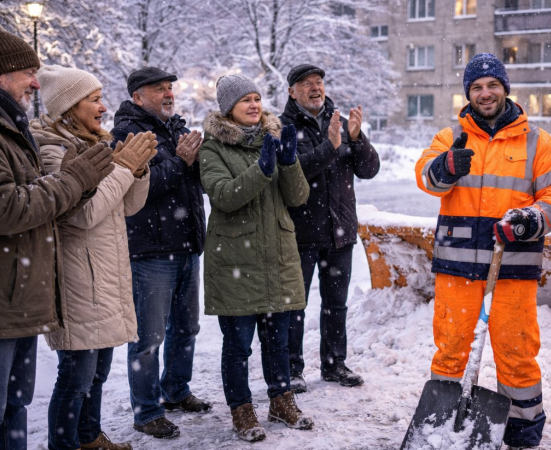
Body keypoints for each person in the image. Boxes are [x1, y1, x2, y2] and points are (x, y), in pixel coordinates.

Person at [0, 30, 114, 450]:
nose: (36, 83)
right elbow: (3, 209)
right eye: (27, 73)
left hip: (15, 297)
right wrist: (74, 180)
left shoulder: (4, 126)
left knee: (11, 411)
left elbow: (38, 204)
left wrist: (81, 186)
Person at [414, 53, 551, 449]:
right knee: (450, 349)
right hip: (457, 269)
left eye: (492, 85)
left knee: (516, 352)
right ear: (468, 93)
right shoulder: (450, 137)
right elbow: (426, 178)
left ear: (505, 89)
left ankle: (522, 430)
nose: (485, 93)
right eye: (477, 87)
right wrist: (445, 168)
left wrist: (532, 218)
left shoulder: (536, 141)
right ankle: (441, 425)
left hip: (512, 269)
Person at [31, 65, 158, 450]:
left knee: (97, 374)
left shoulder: (94, 144)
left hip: (102, 274)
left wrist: (137, 172)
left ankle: (89, 438)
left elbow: (128, 206)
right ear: (69, 106)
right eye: (94, 100)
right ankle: (64, 445)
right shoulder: (53, 149)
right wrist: (122, 168)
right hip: (77, 280)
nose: (104, 107)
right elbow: (84, 214)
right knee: (75, 378)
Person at [199, 74, 313, 442]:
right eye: (245, 99)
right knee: (238, 346)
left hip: (276, 256)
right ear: (228, 108)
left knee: (278, 342)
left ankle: (281, 400)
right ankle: (242, 409)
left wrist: (289, 162)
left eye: (257, 98)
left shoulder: (272, 139)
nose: (254, 105)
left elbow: (298, 198)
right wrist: (262, 169)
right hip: (236, 261)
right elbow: (224, 196)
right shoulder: (213, 148)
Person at [111, 67, 209, 438]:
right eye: (159, 89)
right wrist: (181, 162)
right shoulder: (127, 134)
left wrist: (200, 161)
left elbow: (196, 182)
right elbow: (141, 189)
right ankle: (147, 411)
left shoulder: (177, 128)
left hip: (187, 245)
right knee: (148, 338)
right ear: (137, 96)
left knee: (186, 327)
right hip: (150, 251)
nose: (168, 94)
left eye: (170, 88)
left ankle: (176, 390)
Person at [278, 64, 380, 393]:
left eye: (318, 82)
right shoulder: (282, 128)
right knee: (295, 305)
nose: (315, 88)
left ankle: (335, 364)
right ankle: (292, 369)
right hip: (300, 233)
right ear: (292, 91)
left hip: (340, 231)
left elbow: (369, 169)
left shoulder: (341, 123)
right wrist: (330, 146)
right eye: (306, 83)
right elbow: (292, 174)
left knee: (336, 304)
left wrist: (357, 138)